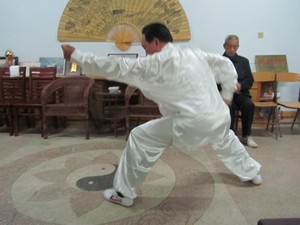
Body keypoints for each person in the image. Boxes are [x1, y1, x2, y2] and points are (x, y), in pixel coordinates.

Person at [61, 23, 262, 207]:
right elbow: (225, 66)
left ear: (156, 42)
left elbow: (114, 66)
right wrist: (227, 94)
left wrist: (75, 55)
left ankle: (123, 193)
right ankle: (252, 172)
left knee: (139, 137)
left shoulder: (154, 64)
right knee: (225, 137)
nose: (145, 52)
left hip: (191, 123)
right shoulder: (194, 54)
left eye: (144, 46)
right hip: (219, 115)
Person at [222, 35, 258, 148]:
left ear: (238, 47)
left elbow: (250, 79)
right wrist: (227, 88)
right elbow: (213, 80)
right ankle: (229, 136)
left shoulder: (244, 61)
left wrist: (240, 86)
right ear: (224, 46)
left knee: (248, 105)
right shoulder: (219, 61)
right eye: (229, 46)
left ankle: (247, 135)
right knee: (229, 107)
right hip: (225, 95)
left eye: (234, 46)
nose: (232, 49)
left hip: (241, 94)